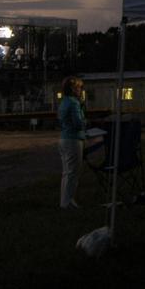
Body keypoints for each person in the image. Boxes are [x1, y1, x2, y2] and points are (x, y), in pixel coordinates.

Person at [57, 75, 86, 209]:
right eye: (79, 87)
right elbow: (78, 123)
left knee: (66, 172)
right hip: (73, 139)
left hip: (63, 138)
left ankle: (65, 200)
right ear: (73, 89)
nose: (80, 90)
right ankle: (68, 202)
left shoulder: (64, 102)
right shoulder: (74, 103)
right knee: (73, 172)